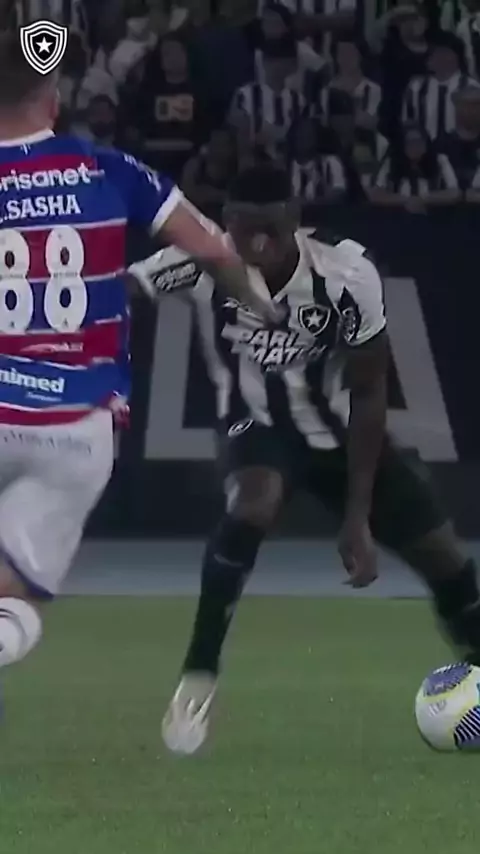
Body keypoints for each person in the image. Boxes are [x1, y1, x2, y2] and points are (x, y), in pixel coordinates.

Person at [130, 164, 480, 755]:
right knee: (255, 499)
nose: (257, 243)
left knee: (445, 559)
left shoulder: (347, 274)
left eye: (270, 228)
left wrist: (357, 516)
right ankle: (199, 672)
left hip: (344, 437)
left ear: (295, 219)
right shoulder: (201, 258)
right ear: (227, 222)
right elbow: (124, 289)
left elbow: (369, 390)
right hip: (256, 427)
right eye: (244, 229)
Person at [0, 33, 278, 676]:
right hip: (75, 428)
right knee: (14, 602)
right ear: (53, 96)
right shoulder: (107, 169)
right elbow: (212, 250)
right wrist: (266, 311)